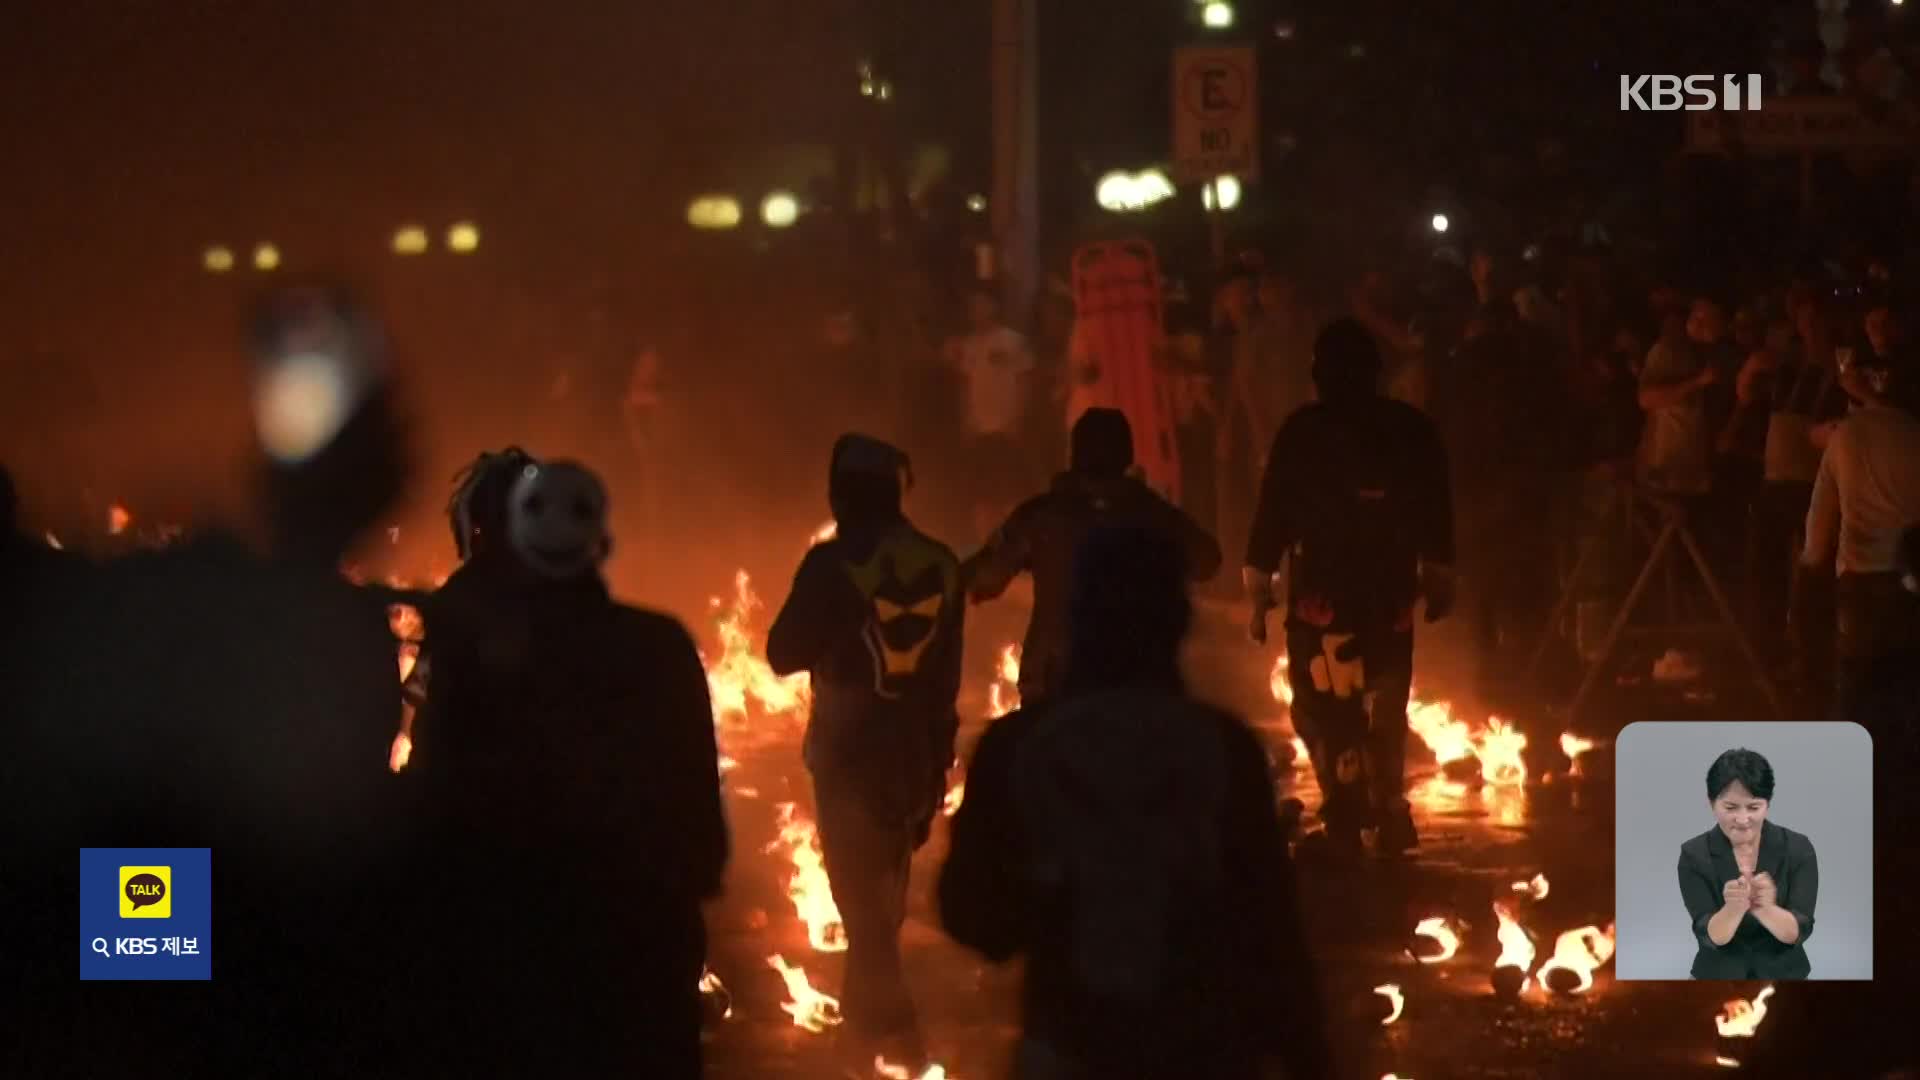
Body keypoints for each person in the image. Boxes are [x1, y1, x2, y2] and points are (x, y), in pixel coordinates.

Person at [940, 524, 1334, 1079]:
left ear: (1076, 618)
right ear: (1177, 622)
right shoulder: (1221, 749)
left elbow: (974, 916)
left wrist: (1054, 885)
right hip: (1201, 1055)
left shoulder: (1020, 749)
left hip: (1070, 1051)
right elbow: (1271, 934)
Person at [404, 459, 727, 1077]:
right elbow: (700, 830)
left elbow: (434, 792)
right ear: (599, 545)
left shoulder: (470, 637)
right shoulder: (660, 646)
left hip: (512, 960)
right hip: (640, 956)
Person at [766, 434, 965, 1065]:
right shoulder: (941, 562)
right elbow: (947, 673)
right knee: (879, 910)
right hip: (918, 759)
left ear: (843, 493)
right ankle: (868, 1042)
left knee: (864, 913)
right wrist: (938, 759)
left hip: (849, 756)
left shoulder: (832, 564)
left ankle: (894, 1039)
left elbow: (781, 652)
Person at [1244, 318, 1456, 856]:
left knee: (1321, 705)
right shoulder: (1412, 430)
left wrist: (1259, 587)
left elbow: (1273, 514)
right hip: (1390, 600)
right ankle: (1386, 805)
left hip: (1322, 602)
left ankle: (1345, 805)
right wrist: (1436, 579)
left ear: (1318, 374)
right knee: (1385, 703)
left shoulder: (1303, 431)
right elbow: (1436, 512)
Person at [964, 407, 1222, 706]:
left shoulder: (1041, 516)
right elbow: (1207, 561)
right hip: (1134, 678)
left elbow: (984, 577)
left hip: (1054, 679)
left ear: (1074, 455)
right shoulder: (1153, 514)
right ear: (1127, 456)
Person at [1801, 349, 1920, 718]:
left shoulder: (1845, 437)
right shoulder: (1915, 434)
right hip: (1911, 585)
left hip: (1860, 585)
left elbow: (1817, 534)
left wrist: (1808, 571)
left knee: (1858, 696)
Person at [1677, 748, 1818, 980]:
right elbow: (1709, 935)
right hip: (1716, 975)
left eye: (1753, 807)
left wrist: (1766, 909)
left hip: (1785, 974)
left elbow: (1799, 930)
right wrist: (1733, 909)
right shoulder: (1693, 855)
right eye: (1730, 808)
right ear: (1711, 803)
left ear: (1768, 804)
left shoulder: (1798, 848)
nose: (1743, 820)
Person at [947, 289, 1037, 541]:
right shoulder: (969, 346)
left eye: (982, 304)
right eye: (973, 306)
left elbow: (1025, 380)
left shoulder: (1013, 342)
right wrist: (967, 419)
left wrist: (1018, 418)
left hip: (1007, 427)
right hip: (980, 429)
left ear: (994, 306)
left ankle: (1017, 545)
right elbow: (965, 385)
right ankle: (988, 547)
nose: (977, 311)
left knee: (1011, 490)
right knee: (983, 495)